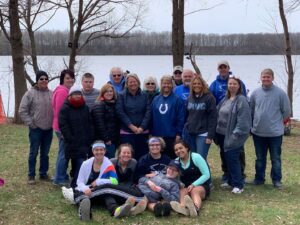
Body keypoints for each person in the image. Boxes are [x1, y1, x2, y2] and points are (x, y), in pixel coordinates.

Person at [74, 141, 145, 220]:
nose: (99, 152)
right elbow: (79, 182)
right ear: (93, 151)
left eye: (101, 150)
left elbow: (114, 181)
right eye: (96, 150)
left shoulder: (108, 164)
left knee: (107, 193)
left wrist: (99, 181)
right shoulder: (85, 164)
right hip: (89, 191)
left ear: (105, 151)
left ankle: (116, 211)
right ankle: (85, 209)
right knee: (106, 191)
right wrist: (85, 189)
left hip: (101, 191)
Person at [250, 68, 291, 189]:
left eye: (268, 77)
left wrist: (277, 122)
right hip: (258, 133)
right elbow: (251, 110)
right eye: (264, 77)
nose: (266, 79)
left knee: (276, 159)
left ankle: (277, 180)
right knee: (260, 158)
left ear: (272, 78)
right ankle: (259, 179)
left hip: (275, 133)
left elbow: (286, 112)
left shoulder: (280, 93)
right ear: (260, 78)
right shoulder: (255, 93)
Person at [209, 60, 247, 184]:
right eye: (221, 67)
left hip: (234, 127)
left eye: (225, 67)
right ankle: (227, 174)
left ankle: (239, 175)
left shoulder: (238, 87)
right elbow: (212, 102)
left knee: (237, 152)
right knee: (223, 152)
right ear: (218, 69)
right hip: (221, 128)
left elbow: (244, 104)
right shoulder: (215, 85)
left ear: (228, 68)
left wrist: (238, 132)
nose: (223, 69)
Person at [215, 76, 251, 194]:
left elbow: (244, 121)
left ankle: (238, 185)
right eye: (230, 84)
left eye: (234, 84)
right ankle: (230, 180)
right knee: (226, 159)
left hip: (232, 136)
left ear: (239, 86)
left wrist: (235, 135)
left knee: (233, 159)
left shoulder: (241, 100)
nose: (232, 86)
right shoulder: (226, 99)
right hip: (221, 134)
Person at [19, 70, 53, 184]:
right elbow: (22, 111)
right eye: (41, 79)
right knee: (34, 152)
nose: (44, 81)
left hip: (48, 129)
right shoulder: (30, 93)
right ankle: (31, 175)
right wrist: (31, 123)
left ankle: (43, 174)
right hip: (36, 129)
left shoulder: (52, 93)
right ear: (37, 81)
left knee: (45, 153)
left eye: (45, 79)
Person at [59, 86, 94, 189]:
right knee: (77, 162)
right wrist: (70, 138)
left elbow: (90, 123)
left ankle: (76, 183)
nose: (77, 96)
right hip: (72, 142)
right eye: (75, 94)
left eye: (79, 94)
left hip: (84, 141)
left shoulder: (85, 107)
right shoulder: (65, 107)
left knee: (80, 162)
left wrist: (90, 137)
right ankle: (75, 184)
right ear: (70, 96)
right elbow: (63, 125)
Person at [170, 140, 210, 217]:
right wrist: (180, 184)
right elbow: (176, 178)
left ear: (187, 148)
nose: (179, 151)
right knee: (182, 192)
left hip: (201, 185)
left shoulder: (196, 157)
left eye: (181, 148)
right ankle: (183, 208)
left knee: (194, 191)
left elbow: (206, 174)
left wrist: (193, 184)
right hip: (186, 187)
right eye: (176, 150)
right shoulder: (176, 162)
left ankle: (195, 209)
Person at [116, 74, 151, 160]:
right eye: (130, 82)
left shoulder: (145, 95)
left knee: (142, 156)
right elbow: (120, 112)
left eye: (134, 81)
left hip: (142, 132)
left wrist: (142, 127)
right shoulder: (121, 95)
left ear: (138, 82)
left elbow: (148, 112)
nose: (133, 84)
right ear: (127, 84)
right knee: (128, 156)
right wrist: (131, 126)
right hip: (127, 132)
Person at [151, 75, 185, 158]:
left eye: (168, 83)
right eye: (164, 83)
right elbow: (151, 117)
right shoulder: (156, 99)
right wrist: (151, 133)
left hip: (171, 135)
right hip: (157, 135)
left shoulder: (177, 100)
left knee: (171, 157)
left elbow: (181, 118)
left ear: (172, 85)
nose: (166, 85)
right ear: (161, 85)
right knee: (159, 157)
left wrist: (178, 134)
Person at [184, 76, 217, 160]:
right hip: (191, 133)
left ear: (203, 85)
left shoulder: (209, 98)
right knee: (193, 158)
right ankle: (197, 174)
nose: (196, 85)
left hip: (203, 134)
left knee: (201, 159)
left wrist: (210, 136)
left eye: (199, 83)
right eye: (194, 84)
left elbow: (213, 118)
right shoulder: (190, 98)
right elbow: (187, 115)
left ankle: (206, 173)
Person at [52, 69, 75, 186]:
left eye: (71, 78)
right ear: (62, 79)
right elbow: (61, 112)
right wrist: (65, 129)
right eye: (67, 78)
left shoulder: (64, 90)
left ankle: (60, 174)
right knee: (64, 153)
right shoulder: (62, 92)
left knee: (63, 152)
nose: (70, 80)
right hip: (62, 127)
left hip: (60, 126)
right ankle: (59, 178)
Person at [91, 84, 120, 158]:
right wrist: (106, 139)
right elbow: (99, 124)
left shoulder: (112, 104)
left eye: (111, 91)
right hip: (105, 140)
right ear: (102, 93)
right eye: (107, 91)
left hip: (112, 139)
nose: (109, 93)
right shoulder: (99, 104)